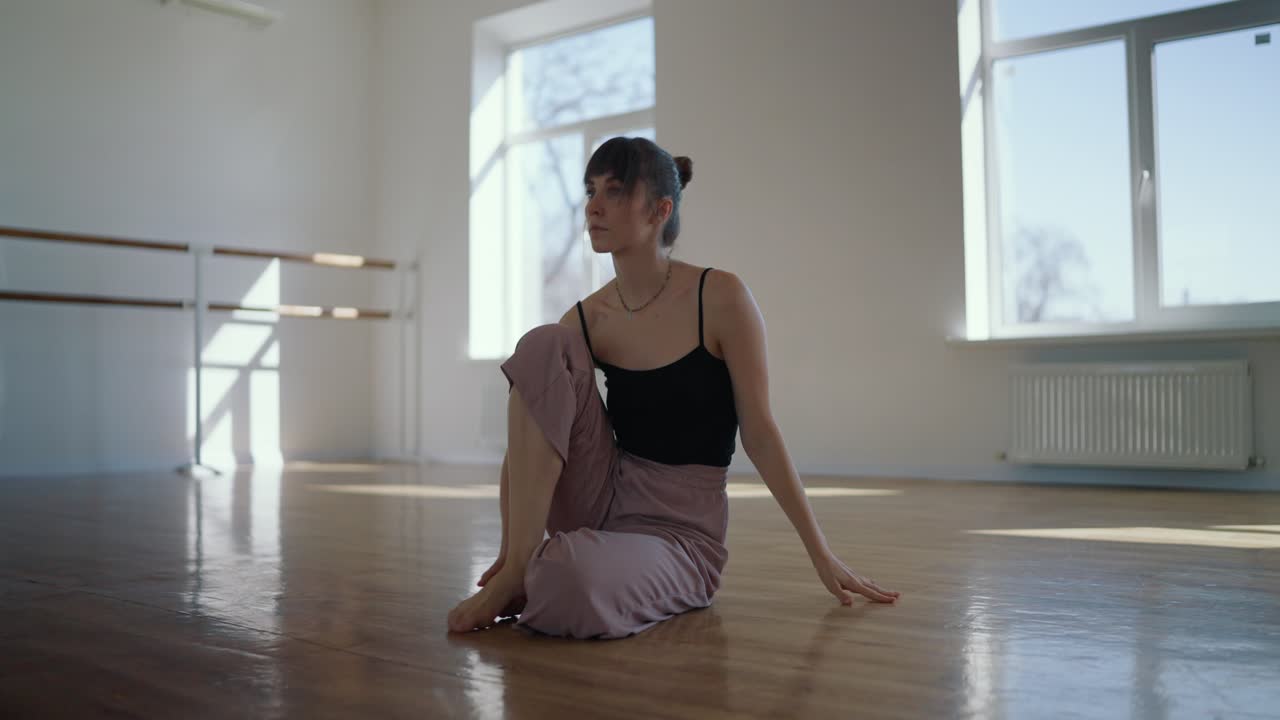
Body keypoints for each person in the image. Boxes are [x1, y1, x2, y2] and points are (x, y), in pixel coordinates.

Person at [447, 137, 899, 639]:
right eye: (591, 190)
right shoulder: (588, 317)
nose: (593, 206)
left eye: (615, 191)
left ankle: (554, 571)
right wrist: (510, 555)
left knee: (569, 579)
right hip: (602, 496)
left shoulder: (721, 298)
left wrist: (821, 552)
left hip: (680, 534)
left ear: (660, 210)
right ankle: (522, 571)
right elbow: (532, 428)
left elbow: (761, 433)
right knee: (541, 344)